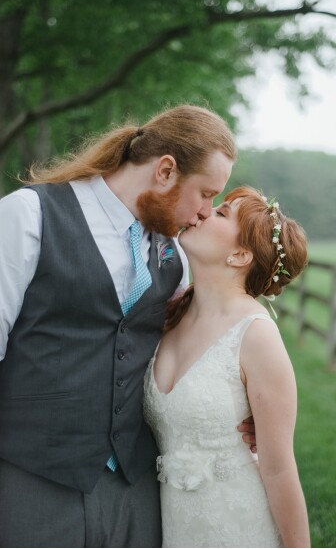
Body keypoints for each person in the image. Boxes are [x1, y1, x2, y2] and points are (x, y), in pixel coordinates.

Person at [0, 105, 256, 548]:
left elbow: (195, 342)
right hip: (32, 475)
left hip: (135, 485)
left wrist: (242, 402)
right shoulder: (28, 215)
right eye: (205, 193)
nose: (205, 213)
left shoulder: (176, 251)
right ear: (165, 171)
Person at [143, 186, 310, 548]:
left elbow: (279, 468)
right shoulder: (171, 312)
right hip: (174, 527)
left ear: (239, 255)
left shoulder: (256, 335)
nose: (204, 212)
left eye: (221, 213)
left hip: (237, 526)